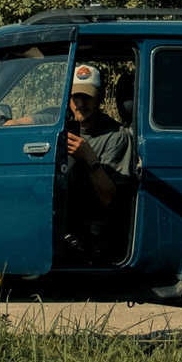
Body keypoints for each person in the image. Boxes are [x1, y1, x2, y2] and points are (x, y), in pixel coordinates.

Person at [61, 61, 134, 263]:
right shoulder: (59, 125)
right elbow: (19, 124)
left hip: (91, 231)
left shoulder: (116, 137)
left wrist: (89, 158)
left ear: (100, 97)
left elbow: (108, 199)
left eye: (87, 96)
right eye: (76, 96)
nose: (80, 103)